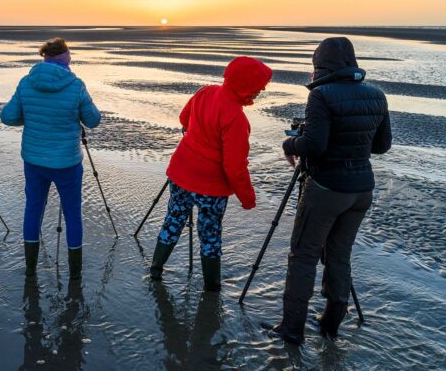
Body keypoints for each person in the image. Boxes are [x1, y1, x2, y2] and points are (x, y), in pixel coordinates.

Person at [266, 37, 392, 344]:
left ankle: (291, 328)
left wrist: (290, 143)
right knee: (339, 255)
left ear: (320, 65)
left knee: (304, 255)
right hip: (362, 190)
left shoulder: (321, 95)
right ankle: (332, 323)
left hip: (326, 188)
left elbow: (315, 146)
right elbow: (382, 146)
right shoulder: (377, 94)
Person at [150, 56, 273, 291]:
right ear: (244, 84)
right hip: (211, 188)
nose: (262, 90)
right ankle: (212, 288)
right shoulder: (236, 117)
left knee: (173, 221)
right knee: (209, 235)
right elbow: (235, 166)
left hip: (181, 174)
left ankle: (155, 270)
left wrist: (197, 132)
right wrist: (248, 198)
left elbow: (184, 119)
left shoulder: (206, 92)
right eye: (259, 86)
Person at [0, 37, 101, 281]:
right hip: (67, 162)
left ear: (44, 57)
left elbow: (8, 117)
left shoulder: (26, 82)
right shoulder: (76, 85)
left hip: (34, 160)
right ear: (65, 57)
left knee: (33, 208)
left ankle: (30, 268)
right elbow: (93, 120)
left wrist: (33, 118)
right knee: (72, 213)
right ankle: (75, 274)